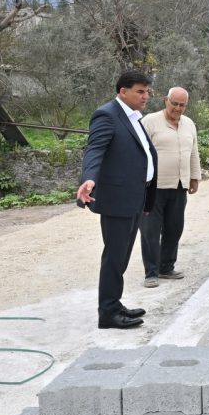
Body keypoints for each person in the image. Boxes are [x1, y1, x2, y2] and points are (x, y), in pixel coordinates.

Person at [76, 70, 158, 330]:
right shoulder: (107, 114)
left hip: (134, 198)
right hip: (118, 199)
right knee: (114, 256)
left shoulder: (132, 117)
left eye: (147, 91)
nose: (146, 96)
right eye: (140, 91)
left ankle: (114, 303)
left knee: (120, 256)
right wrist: (89, 179)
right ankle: (108, 313)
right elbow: (95, 150)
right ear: (123, 91)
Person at [138, 87, 201, 288]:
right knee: (150, 231)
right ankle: (151, 273)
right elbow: (138, 151)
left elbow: (193, 152)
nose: (177, 108)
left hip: (179, 185)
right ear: (166, 100)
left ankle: (166, 267)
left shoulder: (189, 124)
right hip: (153, 187)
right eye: (174, 103)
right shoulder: (150, 121)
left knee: (174, 228)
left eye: (182, 105)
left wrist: (194, 177)